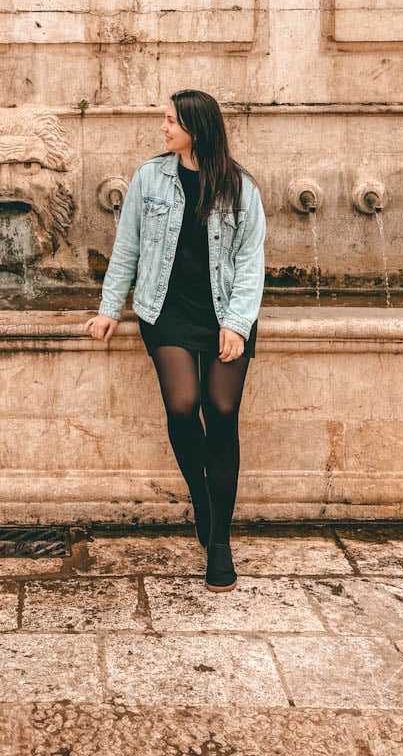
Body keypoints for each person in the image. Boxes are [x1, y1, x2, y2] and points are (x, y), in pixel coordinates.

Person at [83, 90, 266, 590]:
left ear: (196, 127)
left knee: (223, 411)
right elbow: (128, 249)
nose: (163, 127)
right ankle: (202, 502)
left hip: (225, 313)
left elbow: (251, 263)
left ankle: (219, 541)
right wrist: (107, 310)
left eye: (170, 120)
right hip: (164, 311)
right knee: (184, 406)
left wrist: (236, 323)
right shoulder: (149, 178)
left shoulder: (239, 186)